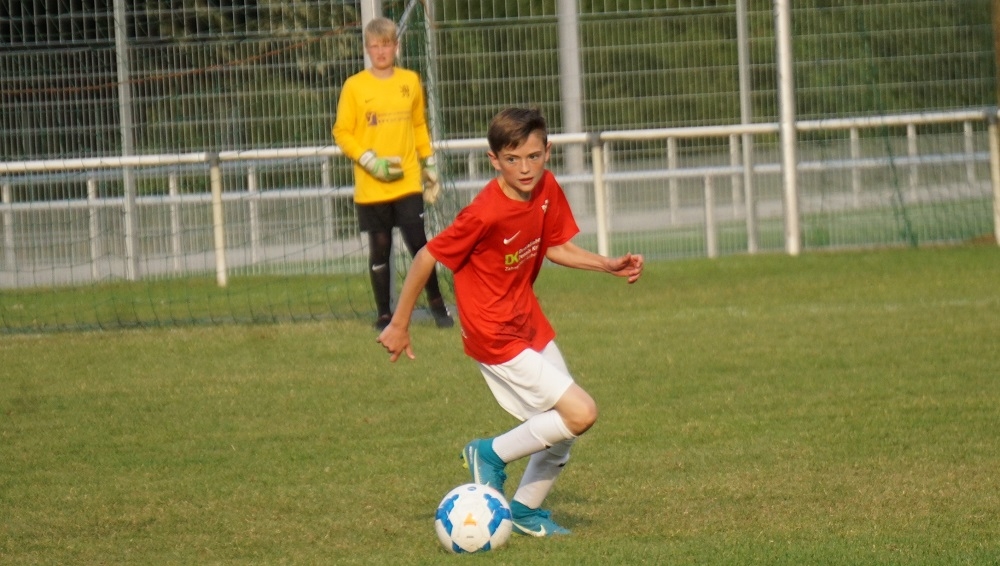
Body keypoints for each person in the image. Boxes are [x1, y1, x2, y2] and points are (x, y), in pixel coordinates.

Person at [376, 107, 644, 537]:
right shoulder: (484, 213)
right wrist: (400, 323)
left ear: (547, 152)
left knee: (564, 426)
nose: (525, 168)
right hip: (493, 332)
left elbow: (555, 245)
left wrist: (606, 264)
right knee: (582, 412)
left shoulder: (545, 187)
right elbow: (427, 255)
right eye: (513, 159)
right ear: (494, 160)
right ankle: (489, 454)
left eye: (534, 156)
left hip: (527, 321)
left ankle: (525, 511)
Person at [332, 16, 453, 331]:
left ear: (396, 47)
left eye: (386, 44)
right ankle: (384, 314)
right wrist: (369, 160)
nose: (381, 51)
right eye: (375, 46)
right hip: (371, 185)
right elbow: (342, 132)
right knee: (380, 248)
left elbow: (418, 125)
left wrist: (429, 163)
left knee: (419, 245)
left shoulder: (410, 81)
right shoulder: (354, 86)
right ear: (367, 49)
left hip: (407, 180)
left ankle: (437, 305)